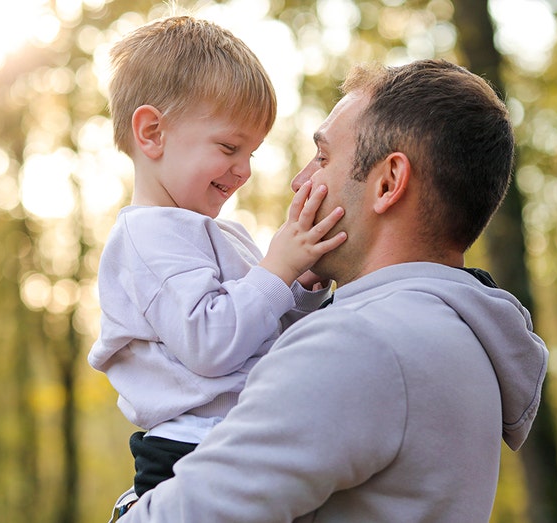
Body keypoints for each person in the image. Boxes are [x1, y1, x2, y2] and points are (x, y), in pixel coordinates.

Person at [120, 59, 550, 522]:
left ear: (388, 183)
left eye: (322, 158)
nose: (300, 180)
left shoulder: (360, 343)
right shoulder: (463, 335)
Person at [87, 15, 347, 517]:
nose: (244, 169)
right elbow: (210, 344)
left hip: (236, 440)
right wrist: (276, 269)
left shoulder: (222, 234)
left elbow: (263, 334)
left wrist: (303, 287)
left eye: (251, 152)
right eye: (229, 147)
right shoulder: (146, 238)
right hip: (190, 451)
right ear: (153, 133)